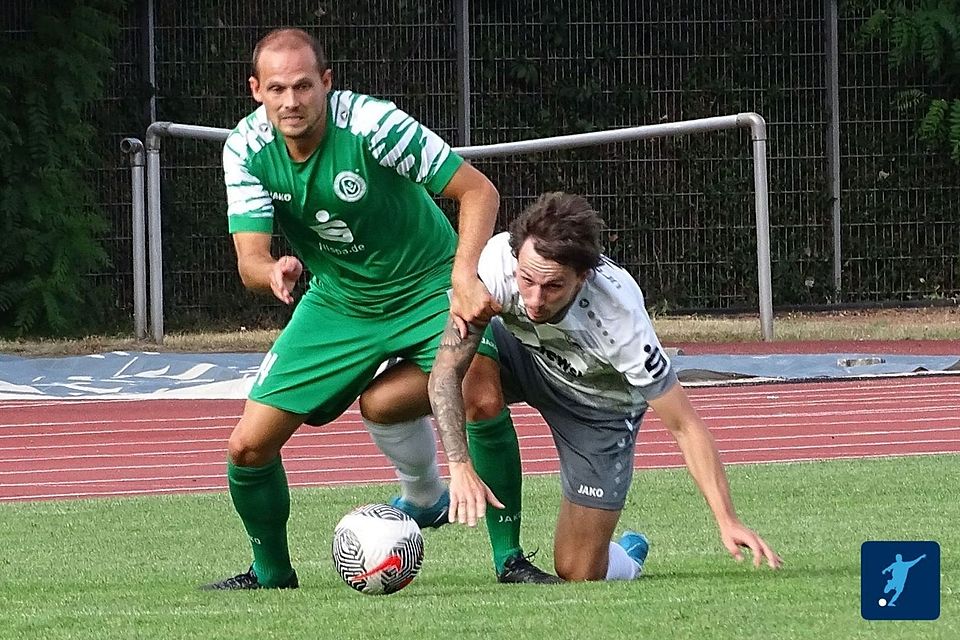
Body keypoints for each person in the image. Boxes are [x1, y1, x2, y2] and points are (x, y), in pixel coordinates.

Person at [204, 27, 505, 589]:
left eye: (302, 86)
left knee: (479, 392)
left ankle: (510, 560)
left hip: (426, 286)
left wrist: (464, 276)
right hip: (338, 301)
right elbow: (249, 259)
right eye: (276, 89)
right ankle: (271, 575)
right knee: (247, 448)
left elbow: (478, 191)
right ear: (255, 90)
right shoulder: (245, 148)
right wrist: (272, 270)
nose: (290, 101)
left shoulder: (373, 125)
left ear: (326, 82)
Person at [427, 192, 783, 581]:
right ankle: (430, 504)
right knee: (418, 389)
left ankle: (628, 553)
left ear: (584, 276)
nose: (533, 299)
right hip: (526, 357)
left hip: (598, 408)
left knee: (578, 570)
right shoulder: (497, 261)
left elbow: (686, 426)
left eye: (552, 287)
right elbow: (444, 373)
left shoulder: (621, 319)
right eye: (526, 280)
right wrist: (458, 466)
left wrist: (726, 518)